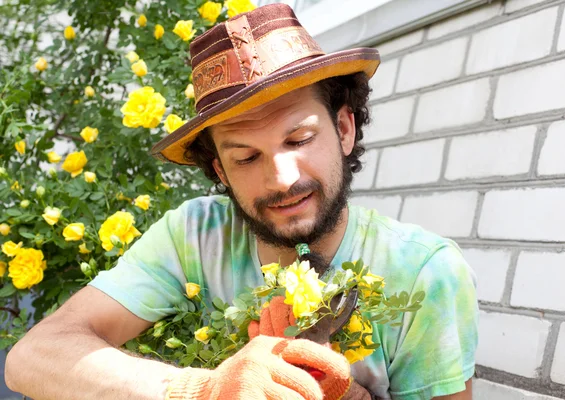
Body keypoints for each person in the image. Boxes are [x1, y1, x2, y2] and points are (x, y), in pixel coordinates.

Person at [5, 3, 478, 399]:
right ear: (218, 170)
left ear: (344, 129)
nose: (282, 178)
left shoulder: (424, 271)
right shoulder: (194, 235)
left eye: (298, 139)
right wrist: (201, 391)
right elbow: (33, 355)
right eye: (247, 156)